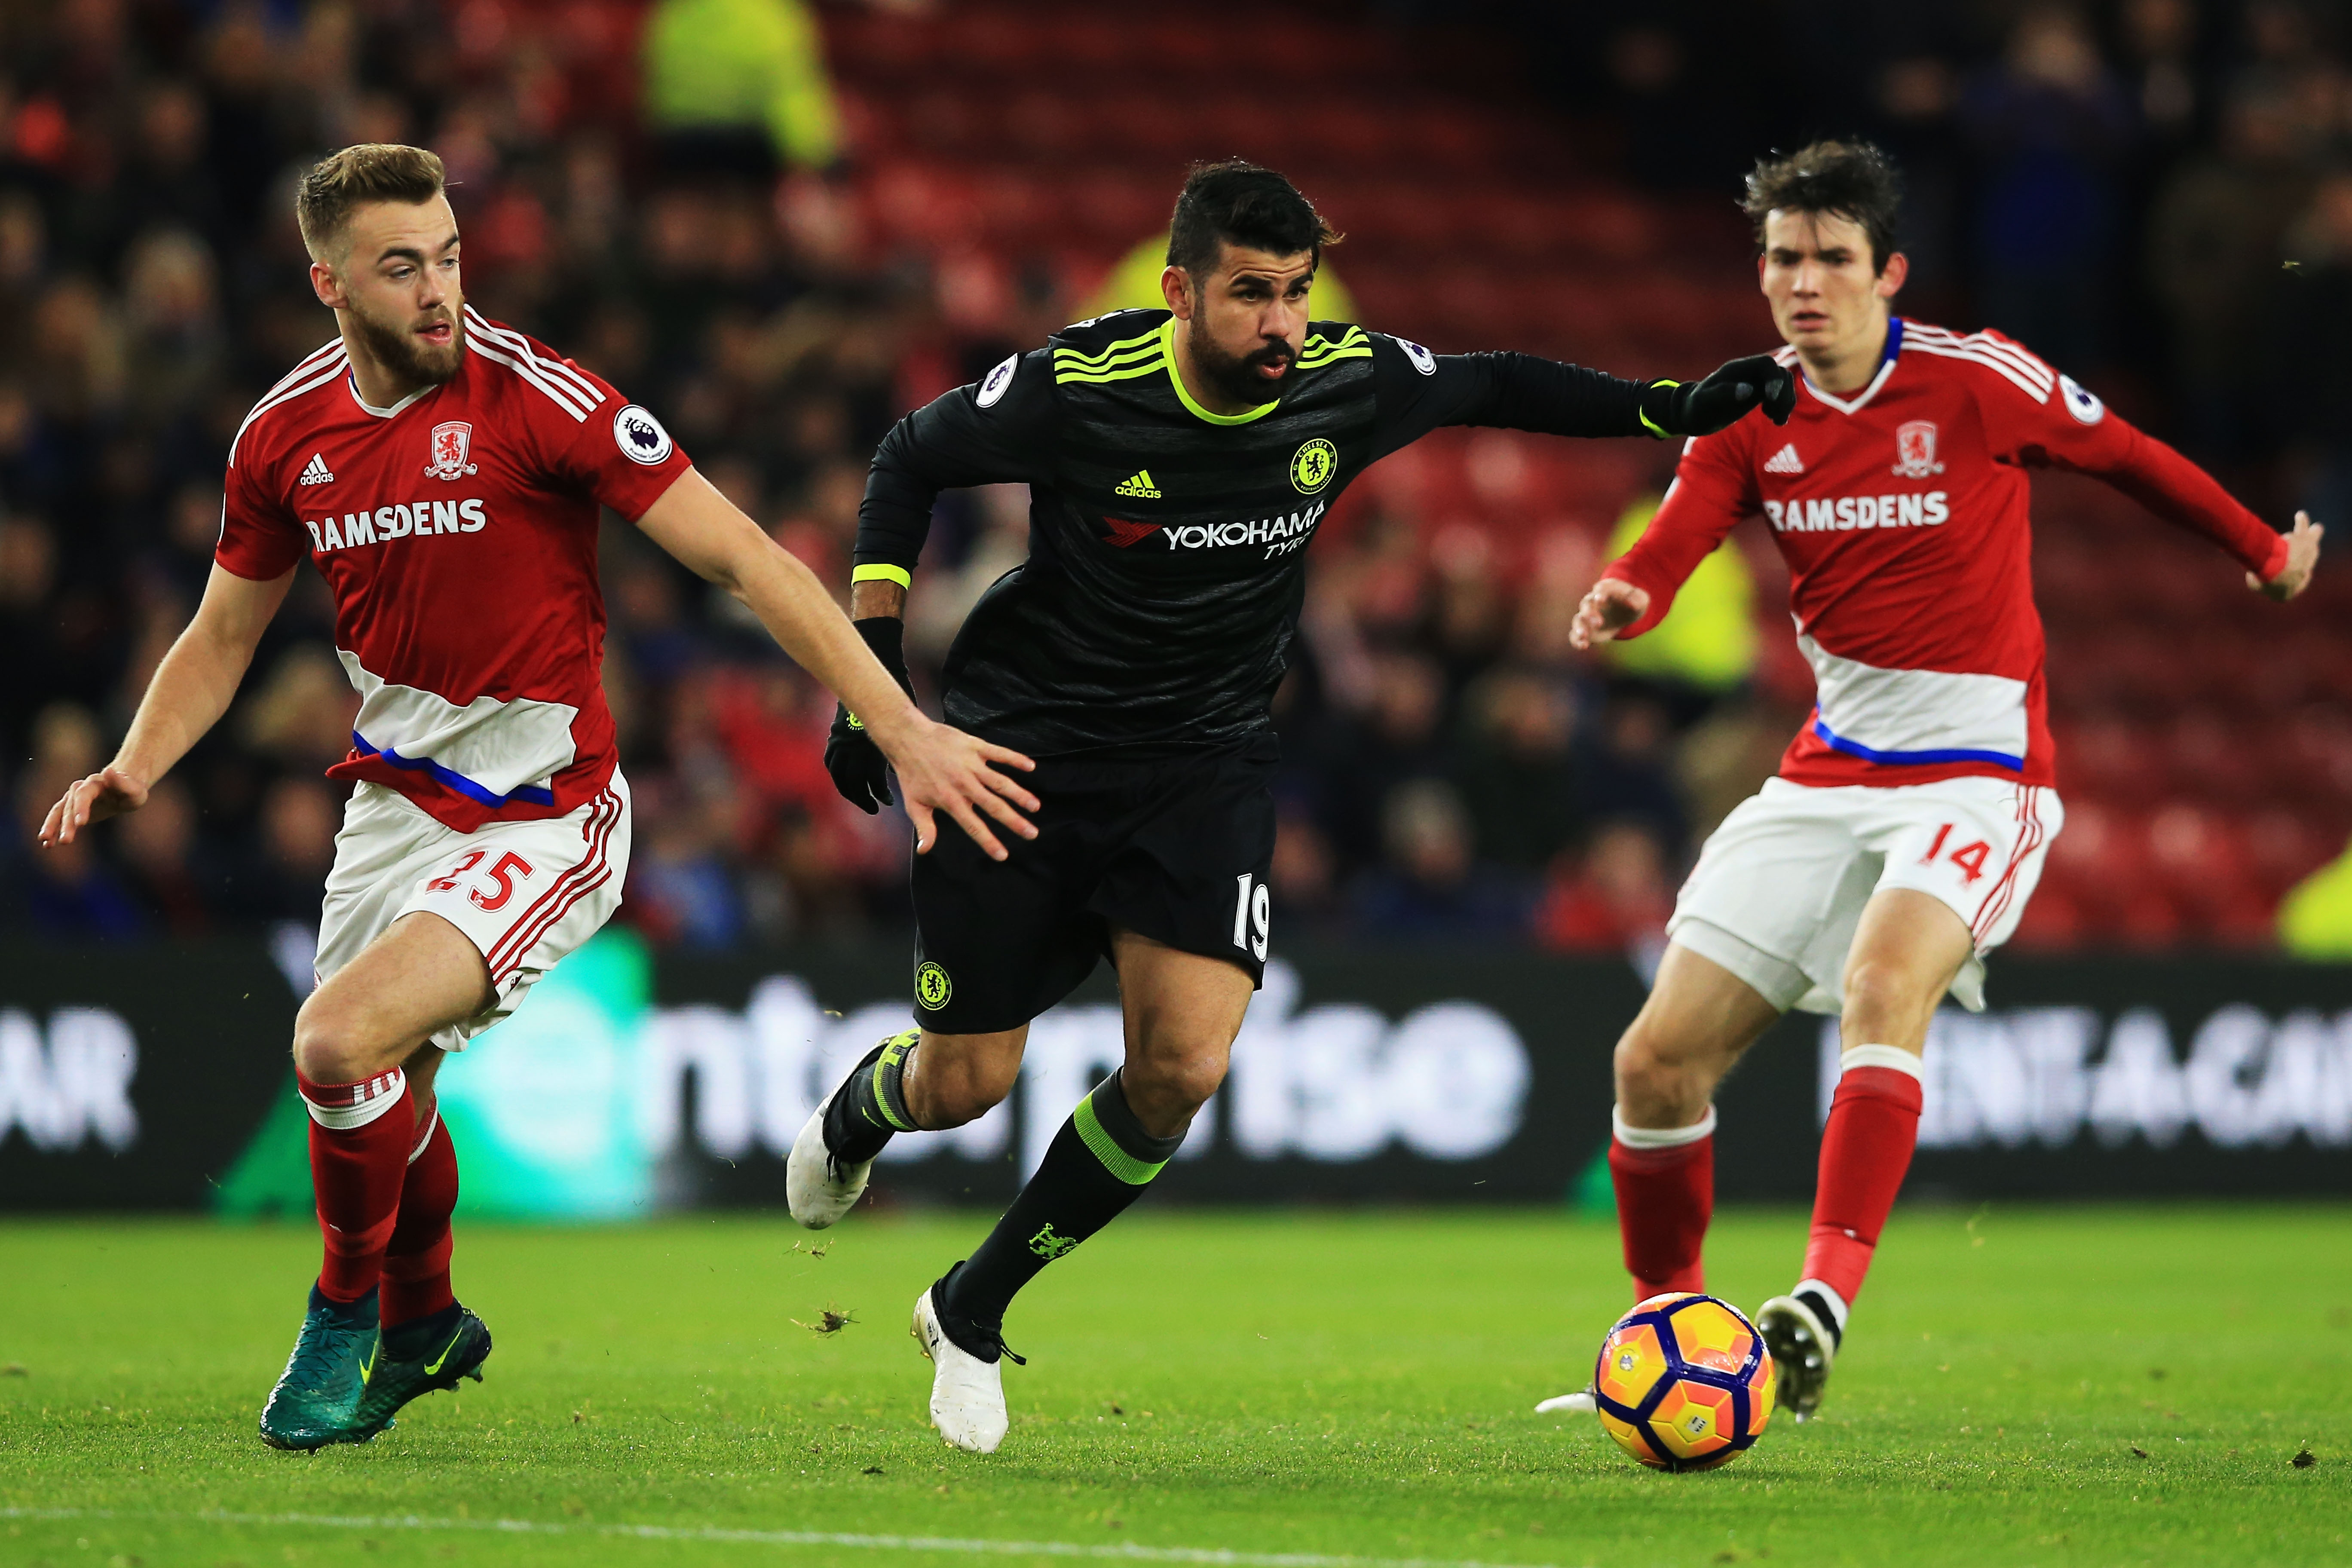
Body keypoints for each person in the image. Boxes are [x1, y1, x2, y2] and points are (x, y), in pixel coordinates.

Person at [37, 144, 1035, 1453]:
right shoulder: (283, 437)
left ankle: (345, 1315)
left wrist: (899, 723)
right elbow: (224, 635)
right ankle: (430, 1319)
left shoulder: (539, 399)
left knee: (336, 1047)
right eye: (404, 267)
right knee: (381, 1084)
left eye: (450, 255)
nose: (441, 288)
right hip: (392, 810)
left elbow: (743, 557)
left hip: (546, 808)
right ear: (327, 280)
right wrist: (138, 762)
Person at [796, 158, 1796, 1454]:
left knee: (1184, 1066)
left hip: (1206, 766)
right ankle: (868, 1109)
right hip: (1024, 759)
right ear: (1178, 293)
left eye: (1297, 293)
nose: (1282, 323)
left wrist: (1667, 408)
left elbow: (1495, 380)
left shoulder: (1342, 380)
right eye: (1252, 295)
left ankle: (971, 1310)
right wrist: (875, 676)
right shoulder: (1080, 390)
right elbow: (907, 460)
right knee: (967, 1086)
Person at [1568, 139, 2319, 1421]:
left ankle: (1820, 1301)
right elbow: (1682, 532)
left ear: (1887, 271)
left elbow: (2128, 453)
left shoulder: (1976, 380)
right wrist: (1631, 590)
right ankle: (1665, 1337)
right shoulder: (1748, 407)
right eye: (1785, 261)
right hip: (1827, 765)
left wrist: (2260, 549)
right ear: (1762, 276)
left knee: (1881, 981)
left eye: (1833, 260)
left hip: (1978, 767)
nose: (1807, 284)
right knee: (1654, 1066)